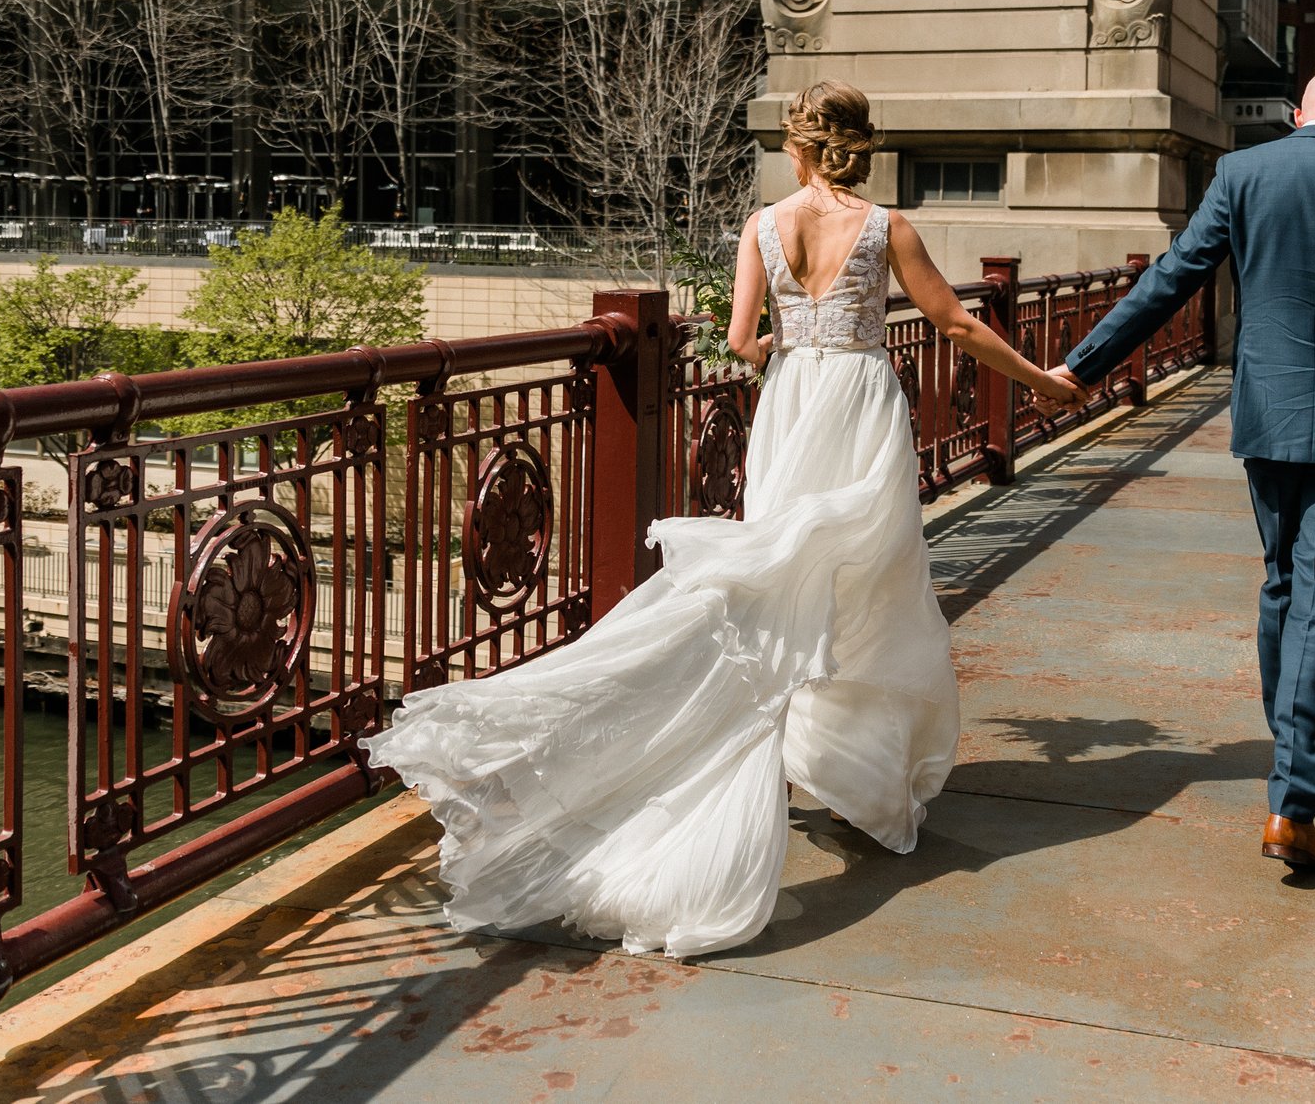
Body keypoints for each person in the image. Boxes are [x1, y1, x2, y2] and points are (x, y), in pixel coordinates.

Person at [364, 80, 1084, 958]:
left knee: (774, 593)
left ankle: (776, 759)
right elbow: (957, 324)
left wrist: (784, 347)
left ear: (802, 147)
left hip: (792, 409)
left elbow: (744, 339)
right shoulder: (888, 227)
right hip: (859, 406)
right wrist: (1042, 380)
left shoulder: (761, 228)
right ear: (858, 146)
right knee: (870, 589)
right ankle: (861, 775)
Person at [1044, 67, 1315, 875]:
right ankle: (1293, 800)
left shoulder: (1243, 173)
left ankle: (1291, 759)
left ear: (1294, 113)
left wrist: (1088, 362)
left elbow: (1171, 278)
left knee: (1284, 583)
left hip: (1268, 416)